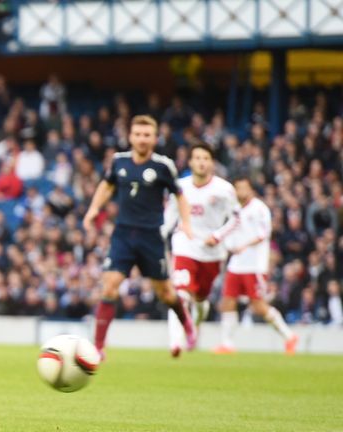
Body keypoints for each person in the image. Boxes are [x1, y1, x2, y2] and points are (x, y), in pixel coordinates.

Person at [82, 115, 196, 360]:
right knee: (110, 286)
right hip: (123, 234)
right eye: (138, 134)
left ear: (155, 138)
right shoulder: (119, 161)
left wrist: (186, 222)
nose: (142, 139)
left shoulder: (163, 166)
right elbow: (107, 185)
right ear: (130, 137)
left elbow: (180, 195)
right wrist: (94, 208)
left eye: (147, 135)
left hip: (151, 236)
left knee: (165, 293)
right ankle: (99, 347)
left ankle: (186, 322)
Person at [163, 143, 239, 357]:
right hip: (184, 245)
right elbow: (169, 217)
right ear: (190, 162)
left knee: (200, 300)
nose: (201, 162)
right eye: (197, 158)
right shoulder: (179, 187)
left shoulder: (224, 190)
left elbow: (236, 218)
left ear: (211, 163)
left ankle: (194, 327)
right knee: (180, 293)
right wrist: (159, 235)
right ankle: (175, 342)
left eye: (205, 158)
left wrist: (218, 236)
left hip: (212, 252)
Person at [212, 177, 298, 355]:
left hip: (254, 264)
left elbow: (264, 234)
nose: (240, 192)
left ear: (251, 190)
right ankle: (227, 343)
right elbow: (230, 230)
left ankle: (289, 336)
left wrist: (244, 245)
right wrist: (227, 245)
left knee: (258, 305)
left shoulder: (259, 209)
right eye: (238, 188)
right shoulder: (235, 209)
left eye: (244, 188)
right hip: (236, 264)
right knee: (228, 301)